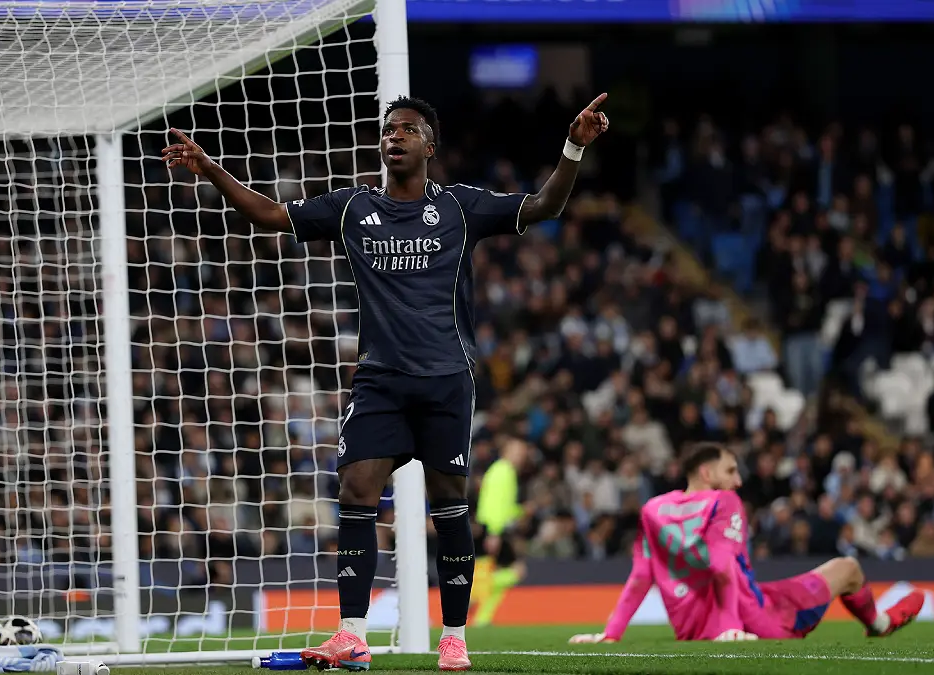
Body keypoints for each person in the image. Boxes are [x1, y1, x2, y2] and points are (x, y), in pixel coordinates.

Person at [163, 94, 609, 671]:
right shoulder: (352, 208)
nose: (393, 137)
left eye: (407, 129)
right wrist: (210, 169)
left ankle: (454, 636)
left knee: (449, 504)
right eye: (388, 130)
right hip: (380, 381)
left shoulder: (460, 207)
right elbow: (271, 215)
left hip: (446, 378)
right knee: (355, 491)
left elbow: (546, 204)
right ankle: (351, 632)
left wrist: (573, 146)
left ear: (430, 145)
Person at [569, 443, 925, 644]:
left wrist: (611, 634)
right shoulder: (724, 502)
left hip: (693, 630)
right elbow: (721, 568)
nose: (738, 481)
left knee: (840, 570)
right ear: (707, 474)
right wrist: (729, 629)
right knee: (849, 568)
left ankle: (878, 624)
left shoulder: (652, 509)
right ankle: (878, 624)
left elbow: (640, 577)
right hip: (760, 617)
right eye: (731, 471)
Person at [470, 438, 529, 627]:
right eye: (517, 452)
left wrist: (520, 511)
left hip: (494, 528)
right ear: (506, 451)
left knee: (498, 571)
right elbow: (494, 504)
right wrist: (494, 533)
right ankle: (475, 592)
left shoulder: (499, 470)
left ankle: (482, 619)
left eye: (523, 453)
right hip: (495, 529)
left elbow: (504, 505)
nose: (520, 457)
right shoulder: (504, 471)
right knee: (517, 571)